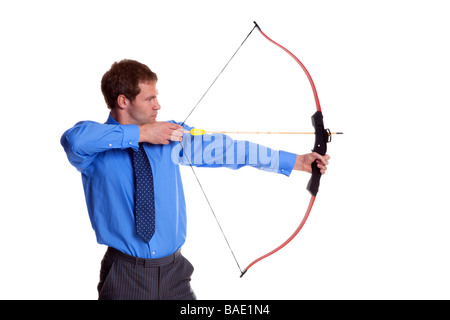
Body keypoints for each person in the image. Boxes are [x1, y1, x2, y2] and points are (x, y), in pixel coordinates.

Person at [61, 59, 330, 300]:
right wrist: (140, 134)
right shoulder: (94, 149)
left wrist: (296, 161)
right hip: (124, 276)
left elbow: (229, 150)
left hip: (174, 274)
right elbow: (74, 139)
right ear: (123, 101)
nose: (158, 105)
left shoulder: (169, 136)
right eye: (150, 99)